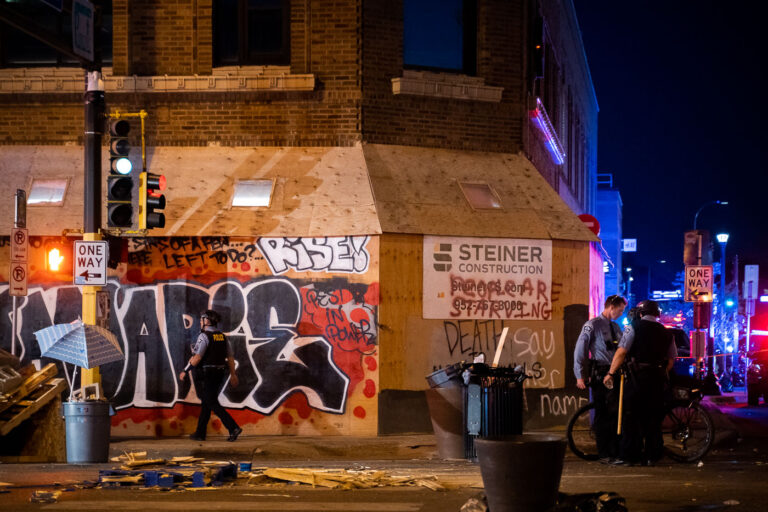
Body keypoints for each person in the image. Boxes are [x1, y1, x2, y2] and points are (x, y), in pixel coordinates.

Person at [604, 300, 676, 466]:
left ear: (641, 313)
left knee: (631, 416)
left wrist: (611, 373)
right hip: (657, 380)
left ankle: (630, 456)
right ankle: (652, 456)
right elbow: (671, 360)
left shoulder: (633, 327)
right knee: (653, 418)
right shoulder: (667, 333)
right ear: (656, 314)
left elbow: (621, 352)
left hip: (637, 379)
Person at [573, 294, 628, 463]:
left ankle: (614, 450)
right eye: (620, 310)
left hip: (614, 372)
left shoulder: (615, 327)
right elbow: (580, 350)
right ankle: (604, 453)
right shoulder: (592, 325)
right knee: (603, 413)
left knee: (615, 413)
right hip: (601, 372)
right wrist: (579, 375)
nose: (621, 314)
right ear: (611, 307)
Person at [179, 309, 242, 442]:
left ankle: (233, 427)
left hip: (209, 373)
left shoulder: (204, 336)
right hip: (219, 373)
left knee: (211, 401)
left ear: (207, 321)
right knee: (207, 401)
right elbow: (230, 357)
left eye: (202, 319)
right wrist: (233, 374)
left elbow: (197, 357)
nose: (200, 321)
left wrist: (185, 370)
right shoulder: (223, 337)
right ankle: (200, 433)